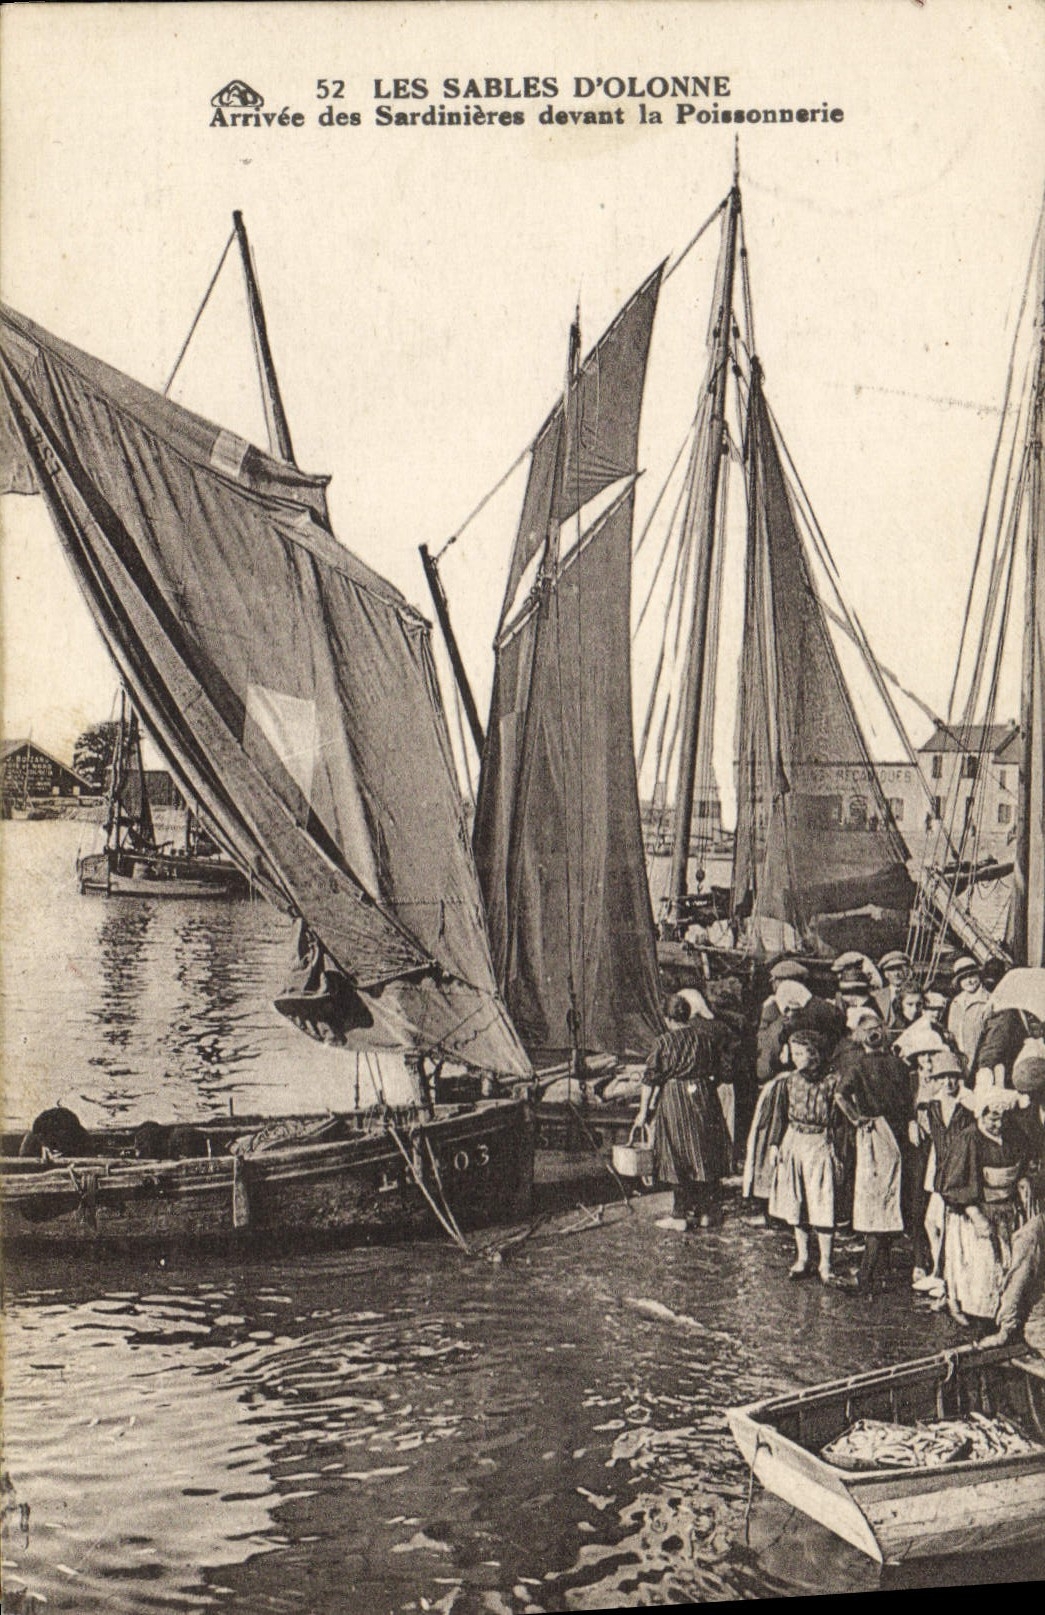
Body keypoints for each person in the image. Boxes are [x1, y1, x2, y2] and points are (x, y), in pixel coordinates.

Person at [630, 995, 735, 1232]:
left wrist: (643, 1112)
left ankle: (679, 1216)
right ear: (687, 1016)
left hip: (675, 1099)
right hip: (704, 1097)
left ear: (668, 1019)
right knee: (703, 1152)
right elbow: (721, 1071)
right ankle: (706, 1213)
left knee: (676, 1155)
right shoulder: (706, 1039)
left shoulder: (663, 1042)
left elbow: (650, 1081)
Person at [834, 1010, 912, 1292]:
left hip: (877, 1134)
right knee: (889, 1198)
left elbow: (840, 1095)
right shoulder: (899, 1065)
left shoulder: (857, 1066)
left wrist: (856, 1118)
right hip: (898, 1132)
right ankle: (882, 1266)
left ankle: (866, 1276)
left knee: (876, 1204)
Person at [936, 1087, 1027, 1327]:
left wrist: (1022, 1180)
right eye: (993, 1117)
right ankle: (979, 1319)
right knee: (982, 1268)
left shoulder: (1014, 1135)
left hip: (1006, 1209)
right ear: (981, 1114)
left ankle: (1005, 1315)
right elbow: (954, 1185)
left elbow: (1024, 1163)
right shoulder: (969, 1139)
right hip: (975, 1211)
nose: (998, 1123)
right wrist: (976, 1217)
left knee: (1011, 1265)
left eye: (1003, 1118)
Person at [766, 1026, 848, 1285]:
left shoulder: (833, 1081)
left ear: (814, 1055)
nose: (795, 1058)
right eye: (794, 1053)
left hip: (820, 1142)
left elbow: (841, 1120)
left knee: (823, 1203)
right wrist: (774, 1145)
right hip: (794, 1140)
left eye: (801, 1054)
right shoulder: (788, 1081)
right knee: (796, 1202)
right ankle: (802, 1258)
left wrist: (839, 1151)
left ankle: (826, 1262)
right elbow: (779, 1115)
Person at [979, 1053, 1045, 1350]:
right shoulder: (1026, 1117)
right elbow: (1026, 1156)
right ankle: (1009, 1325)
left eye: (1032, 1095)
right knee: (1025, 1245)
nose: (1027, 1100)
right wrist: (1026, 1178)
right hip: (1039, 1202)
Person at [914, 1048, 976, 1295]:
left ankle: (944, 1277)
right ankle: (940, 1273)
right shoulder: (934, 1104)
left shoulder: (968, 1103)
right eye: (943, 1077)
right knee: (932, 1221)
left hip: (960, 1172)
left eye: (953, 1077)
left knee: (948, 1223)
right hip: (941, 1169)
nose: (949, 1082)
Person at [946, 957, 991, 1068]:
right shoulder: (956, 1002)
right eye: (964, 978)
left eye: (972, 975)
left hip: (981, 1062)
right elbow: (952, 1033)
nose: (969, 981)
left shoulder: (988, 1001)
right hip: (960, 1061)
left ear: (979, 976)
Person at [872, 951, 915, 1027]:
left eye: (900, 969)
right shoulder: (876, 996)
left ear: (907, 972)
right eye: (891, 969)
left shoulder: (915, 994)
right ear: (885, 974)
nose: (896, 974)